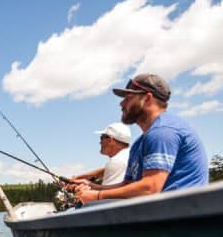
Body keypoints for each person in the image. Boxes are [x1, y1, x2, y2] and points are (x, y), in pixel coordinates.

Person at [74, 73, 208, 205]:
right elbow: (128, 185)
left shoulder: (162, 132)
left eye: (128, 98)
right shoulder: (139, 143)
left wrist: (97, 196)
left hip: (182, 220)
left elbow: (150, 188)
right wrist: (93, 187)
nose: (122, 103)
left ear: (148, 99)